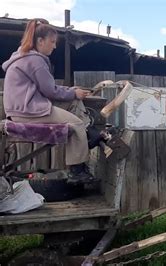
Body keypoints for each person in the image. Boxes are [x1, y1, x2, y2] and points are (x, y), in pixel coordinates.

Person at [1, 18, 95, 184]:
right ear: (40, 41)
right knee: (77, 124)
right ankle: (77, 171)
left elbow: (49, 88)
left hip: (22, 108)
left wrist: (72, 93)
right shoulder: (35, 60)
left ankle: (86, 136)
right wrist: (74, 93)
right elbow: (50, 91)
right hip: (28, 111)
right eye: (52, 42)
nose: (54, 46)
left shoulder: (22, 57)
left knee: (73, 104)